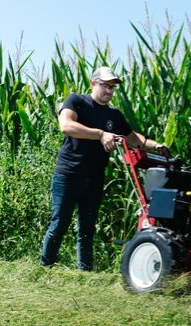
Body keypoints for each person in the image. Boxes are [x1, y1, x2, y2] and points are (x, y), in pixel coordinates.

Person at [41, 66, 168, 271]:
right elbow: (66, 126)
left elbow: (133, 138)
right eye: (105, 86)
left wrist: (156, 146)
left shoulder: (114, 115)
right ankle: (46, 267)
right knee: (59, 223)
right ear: (93, 83)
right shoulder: (77, 102)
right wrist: (101, 134)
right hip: (68, 174)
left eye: (112, 88)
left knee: (87, 228)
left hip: (94, 178)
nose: (109, 91)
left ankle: (85, 271)